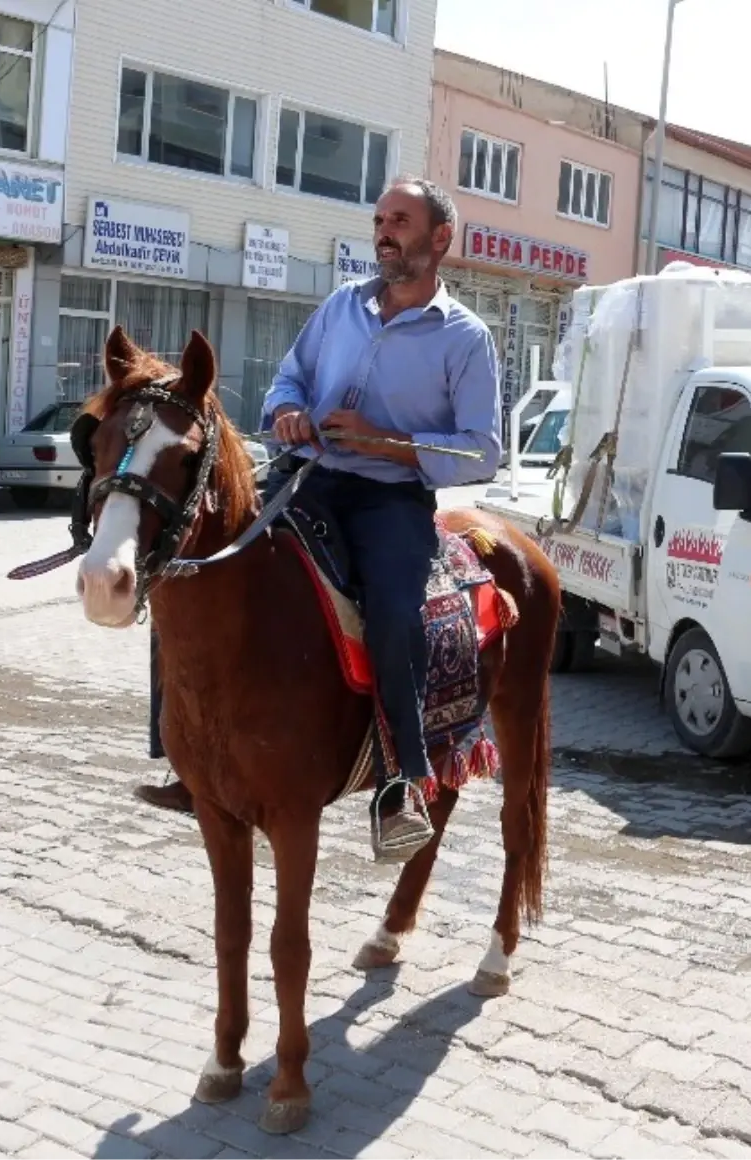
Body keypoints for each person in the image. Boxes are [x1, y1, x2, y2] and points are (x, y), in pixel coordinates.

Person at [135, 176, 502, 863]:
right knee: (185, 569)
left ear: (439, 238)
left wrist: (384, 442)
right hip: (306, 480)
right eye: (380, 219)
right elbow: (287, 381)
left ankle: (403, 780)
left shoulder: (465, 338)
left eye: (400, 220)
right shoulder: (340, 307)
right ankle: (186, 761)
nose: (384, 230)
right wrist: (286, 415)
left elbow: (482, 450)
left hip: (390, 501)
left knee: (396, 612)